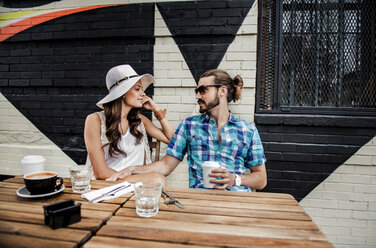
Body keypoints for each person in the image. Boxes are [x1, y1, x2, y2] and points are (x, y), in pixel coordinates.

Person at [107, 69, 267, 192]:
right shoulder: (189, 126)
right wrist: (132, 169)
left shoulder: (248, 130)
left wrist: (235, 179)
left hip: (236, 202)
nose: (197, 95)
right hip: (200, 201)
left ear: (222, 91)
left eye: (203, 90)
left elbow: (261, 179)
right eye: (196, 91)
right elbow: (165, 166)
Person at [84, 64, 174, 185]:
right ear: (123, 93)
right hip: (108, 184)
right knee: (158, 180)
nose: (143, 94)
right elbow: (100, 172)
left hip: (136, 183)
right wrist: (143, 180)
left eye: (142, 89)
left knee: (158, 180)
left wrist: (156, 110)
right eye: (137, 89)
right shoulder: (95, 120)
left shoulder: (139, 121)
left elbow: (172, 140)